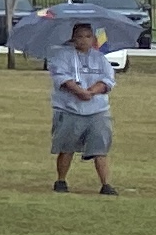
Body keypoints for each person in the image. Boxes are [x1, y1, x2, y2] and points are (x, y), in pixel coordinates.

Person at [49, 17, 121, 194]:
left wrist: (92, 91)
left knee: (100, 148)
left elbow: (108, 79)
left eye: (88, 36)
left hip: (97, 110)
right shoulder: (62, 56)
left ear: (94, 39)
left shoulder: (100, 58)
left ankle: (105, 185)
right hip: (70, 109)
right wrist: (78, 91)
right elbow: (61, 77)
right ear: (73, 38)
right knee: (66, 148)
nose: (84, 40)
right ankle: (61, 180)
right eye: (80, 36)